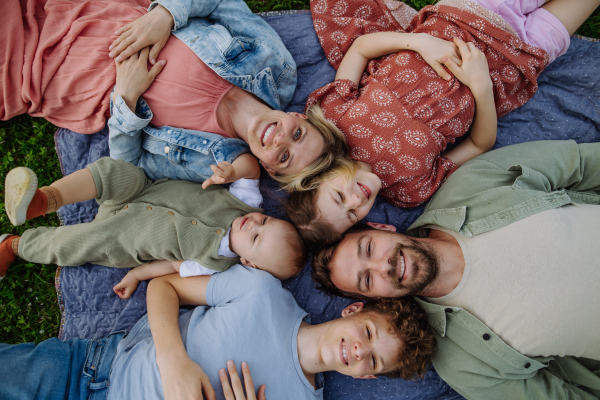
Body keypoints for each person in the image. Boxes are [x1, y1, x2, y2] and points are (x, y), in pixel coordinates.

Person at [311, 140, 600, 399]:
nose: (382, 265)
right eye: (367, 279)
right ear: (377, 299)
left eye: (370, 249)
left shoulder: (470, 184)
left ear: (381, 227)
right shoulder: (464, 366)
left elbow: (583, 164)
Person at [292, 0, 599, 209]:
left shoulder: (332, 119)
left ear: (319, 177)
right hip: (515, 62)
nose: (355, 203)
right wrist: (481, 86)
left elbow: (359, 49)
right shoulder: (410, 190)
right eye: (351, 217)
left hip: (471, 15)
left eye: (337, 198)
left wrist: (419, 42)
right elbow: (479, 145)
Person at [1, 0, 346, 184]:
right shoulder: (274, 67)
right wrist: (166, 14)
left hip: (71, 80)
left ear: (270, 170)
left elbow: (130, 168)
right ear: (297, 116)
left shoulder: (212, 162)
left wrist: (126, 98)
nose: (280, 140)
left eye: (284, 158)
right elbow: (220, 2)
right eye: (297, 134)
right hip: (107, 15)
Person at [0, 264, 437, 400]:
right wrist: (174, 363)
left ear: (367, 377)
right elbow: (163, 286)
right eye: (367, 331)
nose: (359, 350)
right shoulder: (263, 292)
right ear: (353, 308)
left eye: (373, 359)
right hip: (92, 373)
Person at [0, 157, 305, 281]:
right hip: (142, 190)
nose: (253, 224)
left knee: (73, 246)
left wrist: (136, 275)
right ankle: (45, 200)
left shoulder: (214, 266)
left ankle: (14, 246)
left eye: (255, 238)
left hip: (121, 238)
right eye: (264, 222)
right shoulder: (246, 204)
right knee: (114, 172)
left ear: (249, 263)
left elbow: (173, 267)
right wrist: (234, 171)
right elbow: (251, 167)